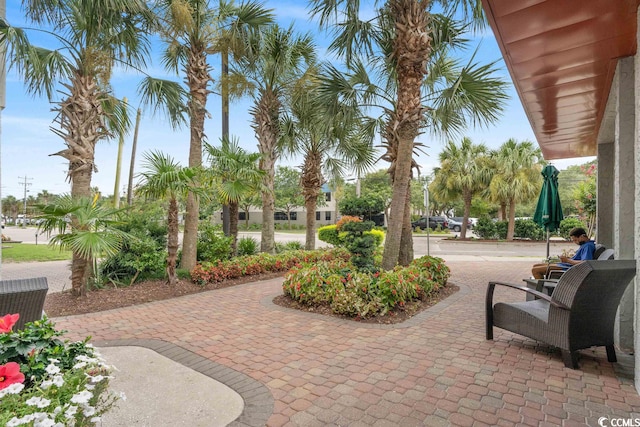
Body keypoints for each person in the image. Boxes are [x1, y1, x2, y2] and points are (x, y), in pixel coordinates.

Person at [531, 227, 596, 279]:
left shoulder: (588, 246)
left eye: (576, 240)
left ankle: (542, 290)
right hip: (567, 265)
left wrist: (568, 260)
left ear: (582, 236)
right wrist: (567, 259)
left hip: (569, 268)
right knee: (535, 266)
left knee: (535, 270)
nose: (575, 242)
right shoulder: (585, 245)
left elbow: (585, 262)